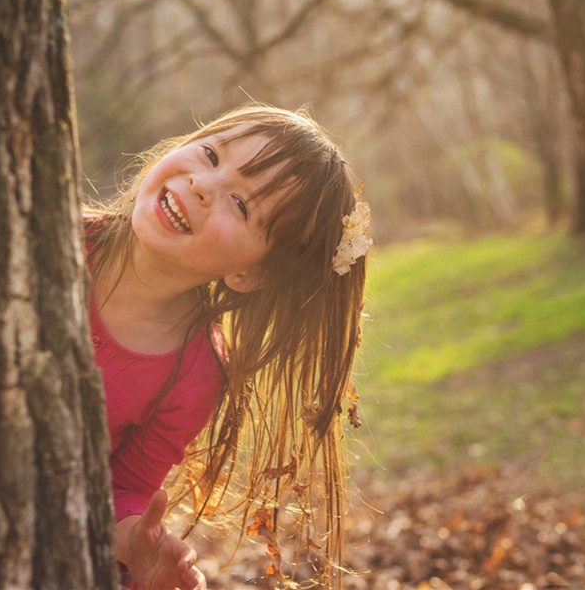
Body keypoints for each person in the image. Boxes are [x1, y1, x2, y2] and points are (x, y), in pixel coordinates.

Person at [84, 104, 371, 589]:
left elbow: (122, 490)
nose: (202, 184)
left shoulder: (194, 372)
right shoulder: (43, 236)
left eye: (240, 205)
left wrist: (134, 544)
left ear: (250, 273)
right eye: (211, 155)